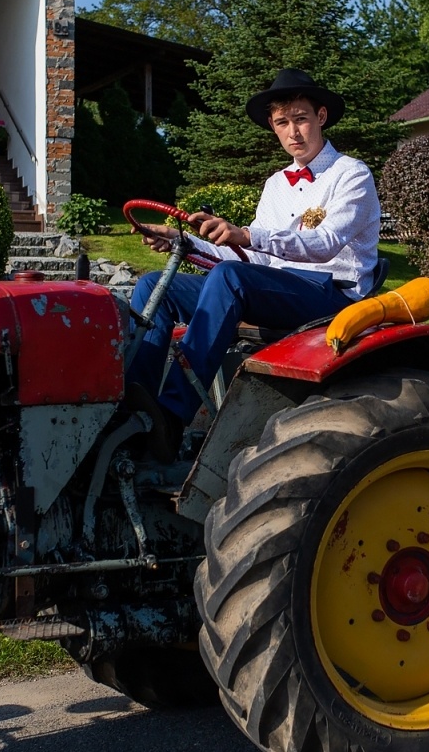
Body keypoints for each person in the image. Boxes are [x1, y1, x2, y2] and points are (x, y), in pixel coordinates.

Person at [128, 69, 381, 459]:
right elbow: (254, 258)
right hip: (275, 287)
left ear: (322, 117)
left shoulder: (352, 174)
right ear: (273, 127)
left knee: (232, 279)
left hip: (330, 294)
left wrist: (246, 233)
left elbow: (324, 244)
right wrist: (183, 240)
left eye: (301, 119)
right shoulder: (276, 184)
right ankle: (136, 409)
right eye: (283, 123)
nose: (293, 131)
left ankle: (171, 415)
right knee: (152, 287)